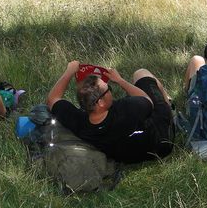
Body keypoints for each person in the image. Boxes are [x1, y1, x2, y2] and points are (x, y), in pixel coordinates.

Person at [46, 60, 174, 163]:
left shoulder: (79, 122)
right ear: (100, 102)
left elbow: (52, 99)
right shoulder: (126, 109)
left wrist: (69, 72)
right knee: (141, 74)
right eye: (108, 88)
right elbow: (147, 100)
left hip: (126, 158)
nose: (110, 89)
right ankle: (169, 104)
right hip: (161, 144)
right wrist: (120, 80)